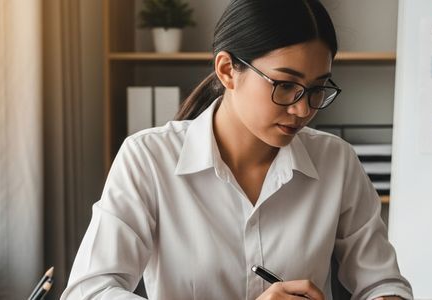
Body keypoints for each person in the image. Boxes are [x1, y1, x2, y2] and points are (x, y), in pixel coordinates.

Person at [61, 0, 412, 299]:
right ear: (228, 70)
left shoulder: (336, 161)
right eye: (286, 85)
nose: (303, 110)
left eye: (317, 88)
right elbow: (89, 290)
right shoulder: (149, 158)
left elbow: (381, 280)